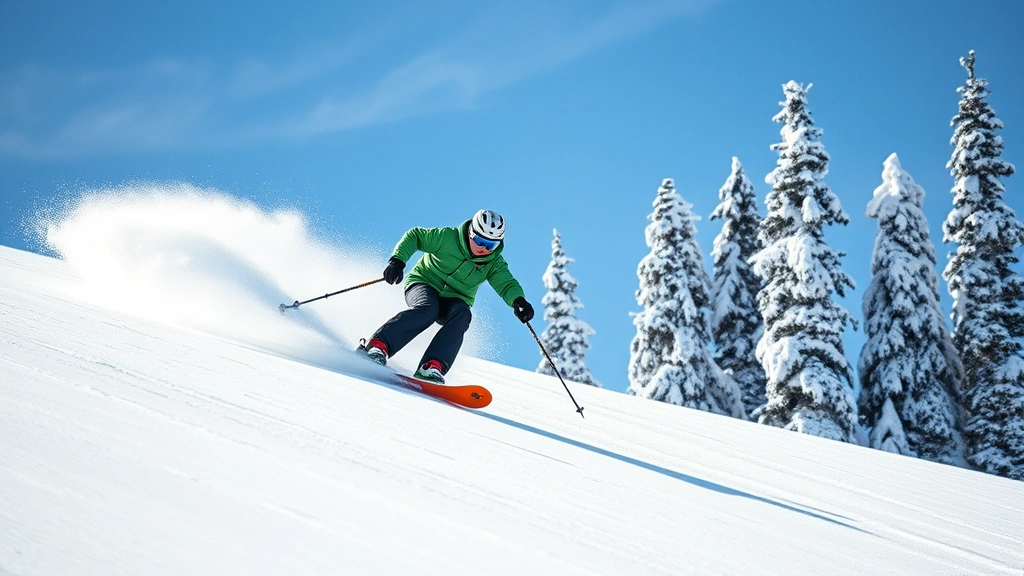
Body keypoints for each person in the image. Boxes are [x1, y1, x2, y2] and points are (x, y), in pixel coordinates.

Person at [358, 209, 535, 384]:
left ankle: (432, 366)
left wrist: (518, 301)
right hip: (424, 283)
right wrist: (397, 260)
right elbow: (416, 236)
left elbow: (506, 284)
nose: (484, 249)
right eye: (481, 241)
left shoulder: (494, 263)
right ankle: (378, 346)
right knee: (428, 310)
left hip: (455, 298)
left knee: (463, 315)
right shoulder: (447, 238)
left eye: (491, 245)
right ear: (471, 233)